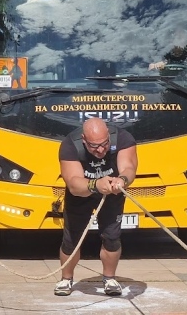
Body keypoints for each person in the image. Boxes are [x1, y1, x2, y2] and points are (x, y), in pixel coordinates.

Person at [54, 117, 137, 297]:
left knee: (111, 237)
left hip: (112, 192)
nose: (100, 150)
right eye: (93, 146)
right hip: (82, 193)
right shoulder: (70, 145)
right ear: (84, 139)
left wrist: (121, 180)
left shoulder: (123, 138)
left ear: (108, 135)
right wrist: (95, 185)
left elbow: (129, 168)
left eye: (104, 144)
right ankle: (66, 279)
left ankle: (109, 278)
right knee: (71, 240)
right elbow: (73, 183)